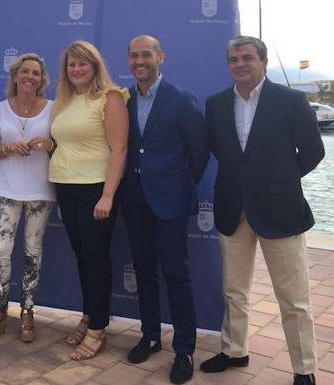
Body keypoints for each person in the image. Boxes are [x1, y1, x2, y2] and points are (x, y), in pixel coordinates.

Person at [201, 36, 324, 385]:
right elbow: (220, 152)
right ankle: (234, 350)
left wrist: (280, 180)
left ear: (263, 61)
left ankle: (304, 369)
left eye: (247, 58)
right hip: (232, 208)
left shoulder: (290, 101)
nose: (239, 64)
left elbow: (314, 151)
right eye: (233, 59)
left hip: (280, 209)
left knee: (294, 298)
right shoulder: (216, 104)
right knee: (233, 290)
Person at [122, 35, 209, 384]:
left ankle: (184, 349)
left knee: (176, 274)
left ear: (161, 57)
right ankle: (151, 335)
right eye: (134, 55)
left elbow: (199, 151)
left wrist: (178, 183)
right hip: (134, 198)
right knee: (143, 269)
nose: (139, 61)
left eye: (146, 54)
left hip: (170, 199)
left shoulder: (181, 99)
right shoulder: (124, 99)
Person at [49, 40, 128, 360]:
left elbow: (119, 150)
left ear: (95, 66)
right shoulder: (65, 99)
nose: (77, 69)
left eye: (83, 63)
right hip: (65, 185)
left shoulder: (110, 97)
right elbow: (64, 143)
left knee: (96, 259)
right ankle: (88, 315)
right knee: (82, 256)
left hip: (96, 188)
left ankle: (98, 328)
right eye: (72, 64)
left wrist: (108, 195)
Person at [0, 53, 55, 343]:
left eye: (36, 73)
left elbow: (61, 149)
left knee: (32, 252)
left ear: (42, 79)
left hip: (41, 191)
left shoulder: (53, 109)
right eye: (25, 71)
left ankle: (27, 310)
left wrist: (48, 144)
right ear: (14, 76)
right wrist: (9, 147)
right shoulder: (0, 109)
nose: (30, 77)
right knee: (0, 250)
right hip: (8, 190)